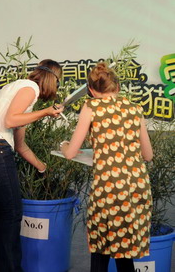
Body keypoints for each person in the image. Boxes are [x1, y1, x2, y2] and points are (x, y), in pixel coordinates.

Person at [60, 63, 153, 272]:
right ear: (117, 87)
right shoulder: (135, 108)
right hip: (137, 187)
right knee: (125, 249)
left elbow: (71, 152)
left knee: (101, 248)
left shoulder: (91, 107)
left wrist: (62, 145)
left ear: (91, 90)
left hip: (109, 187)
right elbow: (148, 155)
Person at [0, 59, 64, 271]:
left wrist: (42, 166)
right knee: (11, 214)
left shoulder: (19, 88)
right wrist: (45, 112)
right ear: (52, 79)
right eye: (59, 82)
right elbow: (10, 121)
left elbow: (20, 145)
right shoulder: (30, 88)